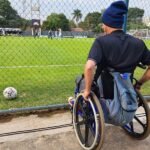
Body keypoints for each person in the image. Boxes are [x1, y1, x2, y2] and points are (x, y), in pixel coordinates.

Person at [83, 0, 150, 100]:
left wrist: (87, 90)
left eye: (103, 23)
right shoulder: (138, 43)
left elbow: (89, 67)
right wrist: (139, 83)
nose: (102, 26)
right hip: (126, 90)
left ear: (107, 24)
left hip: (104, 94)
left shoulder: (101, 42)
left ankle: (78, 105)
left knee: (80, 81)